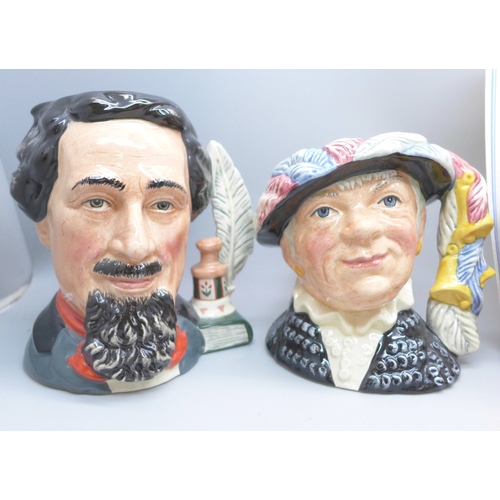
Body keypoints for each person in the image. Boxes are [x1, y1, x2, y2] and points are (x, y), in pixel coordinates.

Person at [256, 132, 494, 394]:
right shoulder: (288, 340)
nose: (363, 229)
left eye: (389, 201)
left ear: (420, 227)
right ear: (290, 252)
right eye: (324, 211)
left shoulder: (429, 360)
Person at [10, 91, 212, 394]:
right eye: (96, 203)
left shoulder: (191, 330)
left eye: (163, 205)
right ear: (44, 224)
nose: (135, 246)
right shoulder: (48, 346)